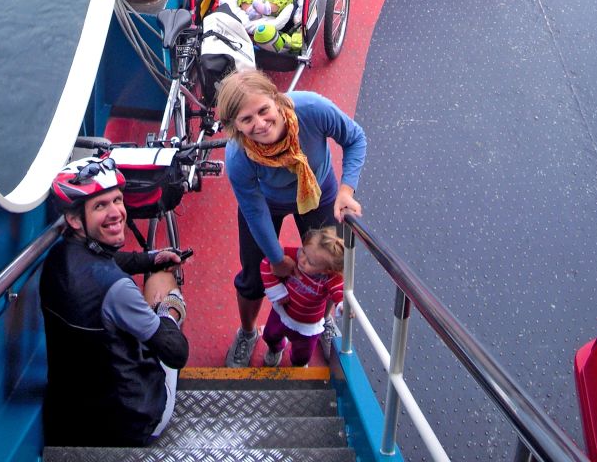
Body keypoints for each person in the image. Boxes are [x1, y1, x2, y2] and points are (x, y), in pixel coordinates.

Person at [216, 68, 366, 368]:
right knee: (252, 278)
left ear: (276, 98)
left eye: (263, 110)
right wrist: (275, 258)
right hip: (267, 204)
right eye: (247, 120)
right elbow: (254, 209)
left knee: (328, 266)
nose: (260, 124)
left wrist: (346, 190)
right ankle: (247, 333)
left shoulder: (312, 110)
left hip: (317, 194)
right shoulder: (238, 156)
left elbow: (355, 138)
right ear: (235, 126)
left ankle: (323, 323)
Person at [39, 155, 189, 448]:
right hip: (130, 421)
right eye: (100, 206)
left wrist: (149, 258)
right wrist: (167, 309)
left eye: (118, 200)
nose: (117, 212)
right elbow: (176, 353)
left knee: (154, 272)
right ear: (74, 219)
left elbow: (107, 259)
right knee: (163, 281)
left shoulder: (58, 257)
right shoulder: (117, 290)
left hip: (71, 417)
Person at [260, 227, 345, 367]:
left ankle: (298, 364)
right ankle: (275, 349)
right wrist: (277, 290)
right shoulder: (294, 255)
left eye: (310, 262)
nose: (302, 260)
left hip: (307, 326)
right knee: (270, 335)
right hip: (282, 313)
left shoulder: (329, 278)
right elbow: (266, 263)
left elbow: (338, 290)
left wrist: (341, 304)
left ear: (326, 270)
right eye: (304, 251)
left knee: (303, 354)